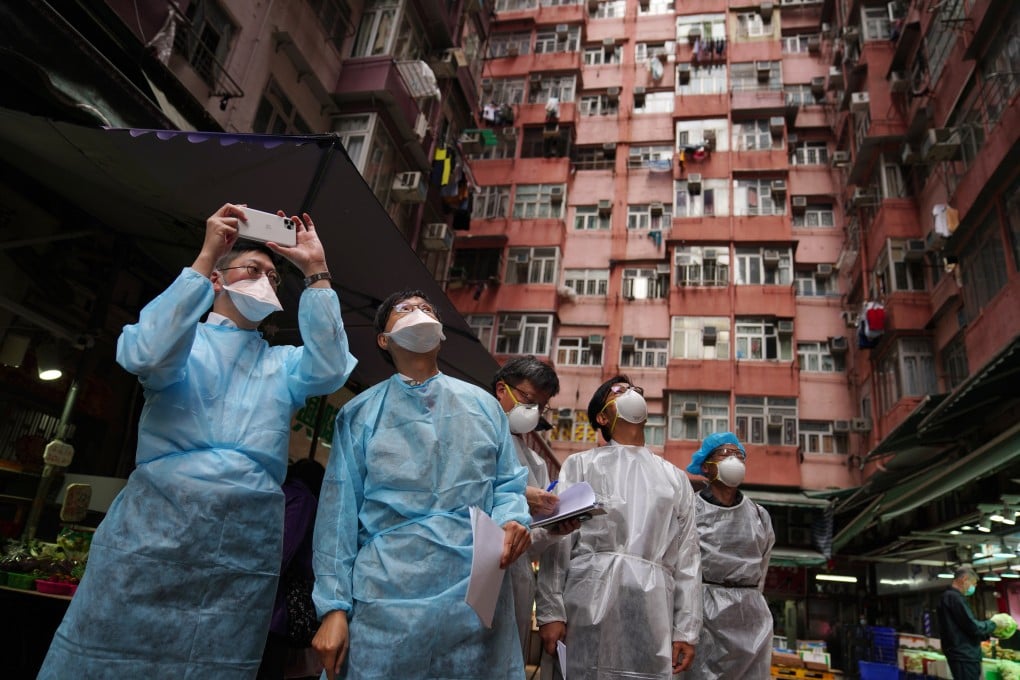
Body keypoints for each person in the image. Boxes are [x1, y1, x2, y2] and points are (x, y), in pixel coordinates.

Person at [39, 203, 356, 678]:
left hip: (241, 554)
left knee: (213, 663)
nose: (266, 280)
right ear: (217, 281)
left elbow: (330, 367)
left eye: (273, 276)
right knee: (108, 655)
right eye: (253, 268)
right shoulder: (182, 343)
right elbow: (143, 350)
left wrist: (315, 271)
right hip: (152, 537)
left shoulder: (283, 364)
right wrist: (208, 253)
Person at [312, 290, 532, 680]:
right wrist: (333, 608)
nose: (419, 313)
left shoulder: (484, 407)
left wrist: (513, 520)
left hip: (473, 595)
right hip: (385, 597)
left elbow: (509, 486)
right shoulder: (359, 414)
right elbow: (337, 517)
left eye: (427, 309)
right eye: (405, 309)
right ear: (383, 338)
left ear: (441, 331)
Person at [535, 375, 702, 679]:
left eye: (636, 390)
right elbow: (559, 543)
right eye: (620, 391)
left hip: (651, 609)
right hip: (584, 603)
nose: (632, 393)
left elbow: (688, 557)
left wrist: (687, 629)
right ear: (602, 416)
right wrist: (551, 611)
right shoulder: (580, 465)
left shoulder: (675, 479)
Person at [492, 357, 581, 668]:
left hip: (516, 577)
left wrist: (554, 529)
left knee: (502, 663)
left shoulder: (537, 463)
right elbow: (461, 492)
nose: (533, 411)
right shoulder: (476, 434)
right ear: (502, 390)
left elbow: (532, 537)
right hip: (473, 563)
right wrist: (519, 493)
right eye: (529, 399)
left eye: (540, 406)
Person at [683, 432, 776, 679]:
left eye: (739, 455)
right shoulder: (690, 509)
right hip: (702, 612)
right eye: (724, 453)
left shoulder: (759, 515)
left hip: (750, 617)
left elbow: (763, 565)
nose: (733, 459)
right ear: (705, 466)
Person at [258, 458, 327, 680]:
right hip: (274, 612)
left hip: (252, 605)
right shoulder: (304, 501)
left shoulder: (277, 490)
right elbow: (281, 556)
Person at [937, 565, 997, 680]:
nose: (973, 587)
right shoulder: (954, 598)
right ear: (964, 579)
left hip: (963, 654)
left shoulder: (949, 597)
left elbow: (966, 627)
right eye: (973, 584)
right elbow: (972, 626)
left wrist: (986, 633)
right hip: (964, 655)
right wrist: (993, 624)